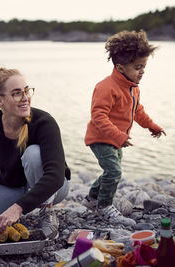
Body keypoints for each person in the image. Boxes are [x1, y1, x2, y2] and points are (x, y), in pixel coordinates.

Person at [0, 68, 71, 239]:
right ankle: (24, 206)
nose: (25, 98)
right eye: (17, 93)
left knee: (33, 154)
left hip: (54, 188)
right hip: (14, 188)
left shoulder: (44, 123)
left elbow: (55, 176)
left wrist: (18, 208)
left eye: (27, 90)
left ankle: (46, 212)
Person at [83, 30, 166, 226]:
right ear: (120, 67)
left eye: (144, 66)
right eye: (138, 67)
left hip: (116, 138)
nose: (142, 71)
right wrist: (118, 136)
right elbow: (98, 116)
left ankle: (91, 199)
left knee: (112, 170)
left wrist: (151, 126)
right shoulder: (106, 87)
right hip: (101, 138)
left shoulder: (133, 87)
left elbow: (137, 111)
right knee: (114, 172)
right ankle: (104, 206)